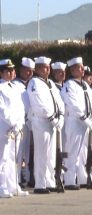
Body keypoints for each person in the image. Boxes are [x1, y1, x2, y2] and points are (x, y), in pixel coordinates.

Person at [27, 56, 65, 194]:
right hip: (41, 121)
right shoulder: (34, 83)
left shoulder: (51, 84)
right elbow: (39, 103)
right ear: (37, 69)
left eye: (48, 67)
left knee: (50, 155)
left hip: (52, 123)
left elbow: (60, 102)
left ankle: (49, 181)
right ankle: (40, 184)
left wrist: (60, 117)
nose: (47, 69)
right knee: (41, 153)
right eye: (44, 67)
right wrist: (52, 117)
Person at [61, 57, 92, 190]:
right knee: (73, 151)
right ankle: (69, 180)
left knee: (84, 152)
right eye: (79, 67)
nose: (83, 69)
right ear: (72, 70)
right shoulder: (69, 85)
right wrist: (84, 118)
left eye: (83, 67)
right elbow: (73, 104)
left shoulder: (85, 85)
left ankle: (83, 178)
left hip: (87, 123)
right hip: (75, 121)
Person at [0, 59, 28, 197]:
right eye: (8, 71)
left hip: (16, 128)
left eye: (12, 70)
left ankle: (13, 185)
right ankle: (1, 186)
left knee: (14, 157)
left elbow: (21, 108)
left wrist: (19, 123)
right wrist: (13, 123)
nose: (11, 73)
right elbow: (2, 110)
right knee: (2, 158)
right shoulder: (0, 88)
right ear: (1, 73)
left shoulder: (15, 87)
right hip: (4, 128)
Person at [12, 57, 35, 187]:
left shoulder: (33, 84)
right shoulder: (15, 85)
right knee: (19, 150)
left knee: (30, 151)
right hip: (21, 122)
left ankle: (30, 176)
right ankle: (19, 177)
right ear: (21, 70)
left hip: (33, 122)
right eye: (27, 71)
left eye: (31, 71)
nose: (29, 73)